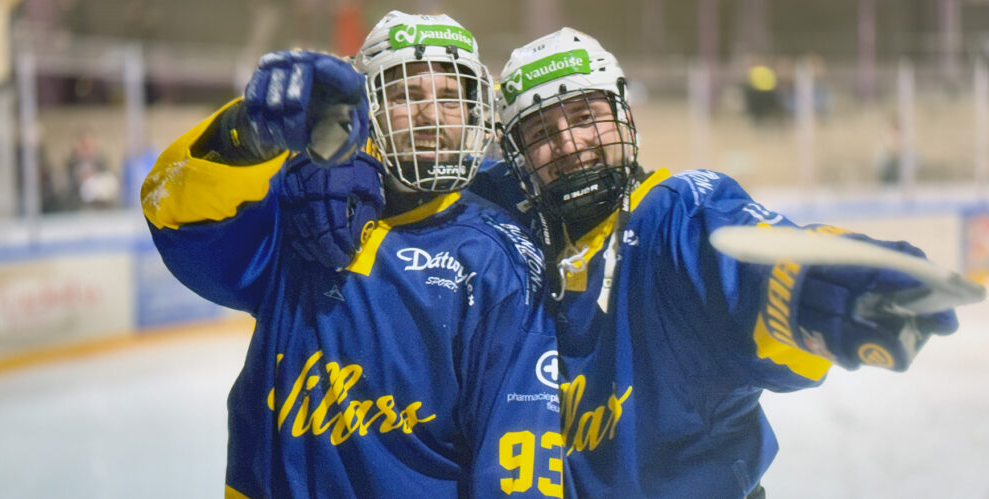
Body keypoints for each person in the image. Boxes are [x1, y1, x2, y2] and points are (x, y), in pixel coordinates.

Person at [485, 28, 963, 497]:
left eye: (586, 117)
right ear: (518, 155)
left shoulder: (672, 216)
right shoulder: (511, 232)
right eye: (542, 132)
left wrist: (819, 280)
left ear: (624, 115)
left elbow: (746, 257)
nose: (570, 144)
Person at [141, 11, 561, 498]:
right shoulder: (299, 208)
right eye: (406, 95)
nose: (431, 115)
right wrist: (250, 136)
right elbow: (176, 219)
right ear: (366, 107)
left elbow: (519, 464)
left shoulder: (496, 259)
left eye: (451, 97)